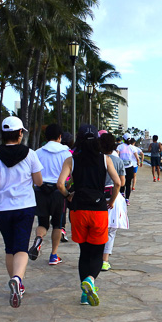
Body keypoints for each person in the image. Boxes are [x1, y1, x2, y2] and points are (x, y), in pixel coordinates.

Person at [56, 124, 122, 306]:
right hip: (98, 209)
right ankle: (91, 281)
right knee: (98, 252)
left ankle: (85, 295)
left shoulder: (71, 160)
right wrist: (111, 201)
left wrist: (68, 195)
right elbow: (117, 183)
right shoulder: (105, 159)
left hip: (78, 210)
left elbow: (60, 184)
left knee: (84, 252)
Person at [0, 116, 43, 308]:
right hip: (24, 206)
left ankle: (17, 284)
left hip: (2, 208)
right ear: (19, 133)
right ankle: (17, 278)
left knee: (10, 247)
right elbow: (39, 181)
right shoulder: (30, 154)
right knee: (21, 248)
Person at [32, 123, 72, 266]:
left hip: (41, 190)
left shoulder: (37, 153)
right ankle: (53, 255)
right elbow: (70, 176)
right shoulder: (66, 153)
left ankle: (38, 239)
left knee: (42, 223)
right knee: (57, 224)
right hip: (58, 192)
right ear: (60, 137)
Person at [99, 133, 128, 271]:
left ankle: (96, 257)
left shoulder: (96, 159)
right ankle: (105, 260)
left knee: (98, 228)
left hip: (97, 196)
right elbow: (121, 183)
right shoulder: (118, 161)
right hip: (113, 198)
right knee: (111, 231)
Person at [59, 132, 75, 242]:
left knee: (62, 208)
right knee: (72, 208)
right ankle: (74, 228)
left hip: (59, 183)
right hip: (71, 183)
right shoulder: (72, 153)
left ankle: (62, 228)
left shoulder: (57, 151)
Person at [117, 134, 136, 204]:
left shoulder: (120, 147)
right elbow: (136, 156)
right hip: (130, 167)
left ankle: (122, 194)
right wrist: (139, 162)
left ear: (123, 139)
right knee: (128, 184)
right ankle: (127, 199)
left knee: (122, 182)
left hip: (121, 167)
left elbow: (117, 155)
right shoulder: (132, 147)